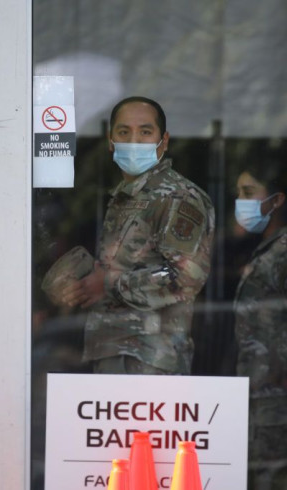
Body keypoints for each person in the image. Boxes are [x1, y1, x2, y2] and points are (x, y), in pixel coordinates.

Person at [61, 96, 214, 375]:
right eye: (123, 132)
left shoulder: (178, 197)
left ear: (163, 141)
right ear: (110, 140)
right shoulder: (126, 197)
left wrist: (108, 283)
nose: (134, 140)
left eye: (145, 132)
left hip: (150, 357)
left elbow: (186, 277)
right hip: (115, 350)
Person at [232, 159, 287, 489]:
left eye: (249, 192)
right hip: (260, 397)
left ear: (277, 200)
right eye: (239, 193)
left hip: (278, 400)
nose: (241, 201)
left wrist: (280, 367)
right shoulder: (266, 252)